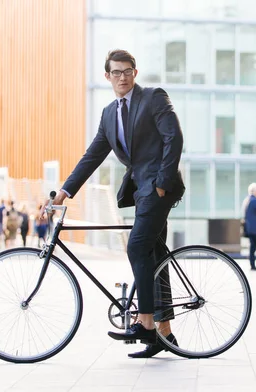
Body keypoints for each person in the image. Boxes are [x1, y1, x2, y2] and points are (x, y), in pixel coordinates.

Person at [43, 49, 185, 359]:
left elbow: (174, 139)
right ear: (107, 76)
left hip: (159, 188)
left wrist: (162, 184)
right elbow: (92, 156)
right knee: (154, 254)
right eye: (116, 72)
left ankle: (145, 323)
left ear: (135, 72)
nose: (122, 77)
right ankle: (163, 333)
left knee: (135, 247)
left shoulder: (153, 97)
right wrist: (65, 192)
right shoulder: (109, 113)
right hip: (140, 191)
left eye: (127, 71)